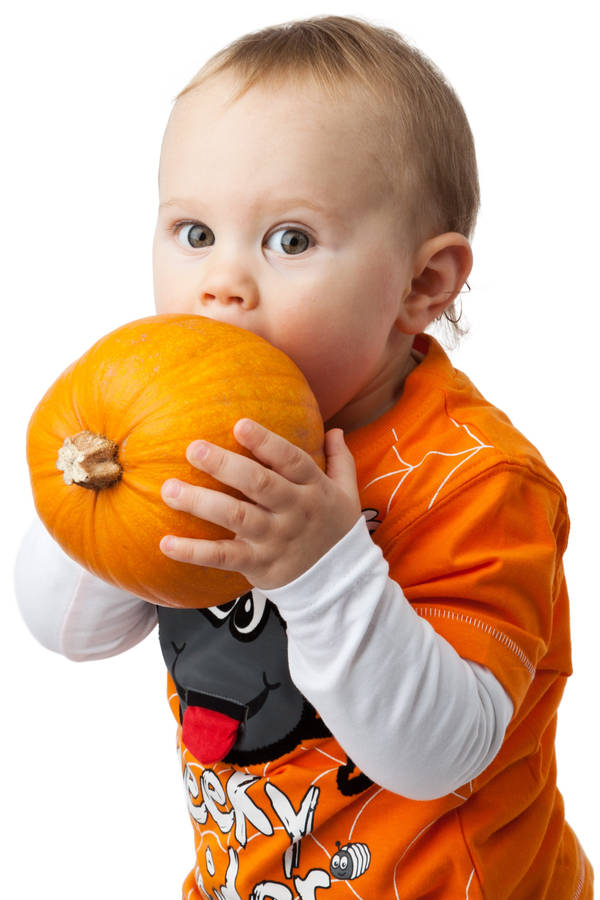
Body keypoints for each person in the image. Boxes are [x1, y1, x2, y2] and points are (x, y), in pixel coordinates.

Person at [15, 14, 593, 899]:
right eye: (195, 233)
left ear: (422, 285)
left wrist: (323, 568)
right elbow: (68, 631)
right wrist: (113, 452)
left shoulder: (475, 477)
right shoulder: (199, 434)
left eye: (290, 240)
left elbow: (442, 755)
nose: (221, 284)